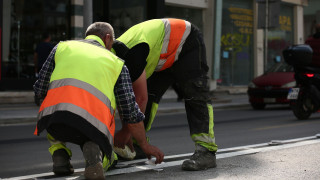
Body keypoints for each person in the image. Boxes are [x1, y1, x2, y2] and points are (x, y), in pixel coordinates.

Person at [33, 22, 164, 179]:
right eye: (112, 43)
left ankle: (59, 153)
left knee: (57, 108)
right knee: (109, 154)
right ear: (107, 38)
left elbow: (40, 88)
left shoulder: (61, 48)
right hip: (92, 128)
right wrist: (144, 145)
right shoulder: (117, 63)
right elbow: (130, 111)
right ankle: (98, 154)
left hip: (55, 123)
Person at [112, 18, 218, 171]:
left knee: (194, 93)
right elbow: (127, 99)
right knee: (148, 92)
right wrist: (128, 133)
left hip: (187, 41)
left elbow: (139, 99)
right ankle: (136, 145)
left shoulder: (129, 57)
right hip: (164, 54)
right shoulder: (116, 57)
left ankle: (206, 151)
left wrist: (125, 131)